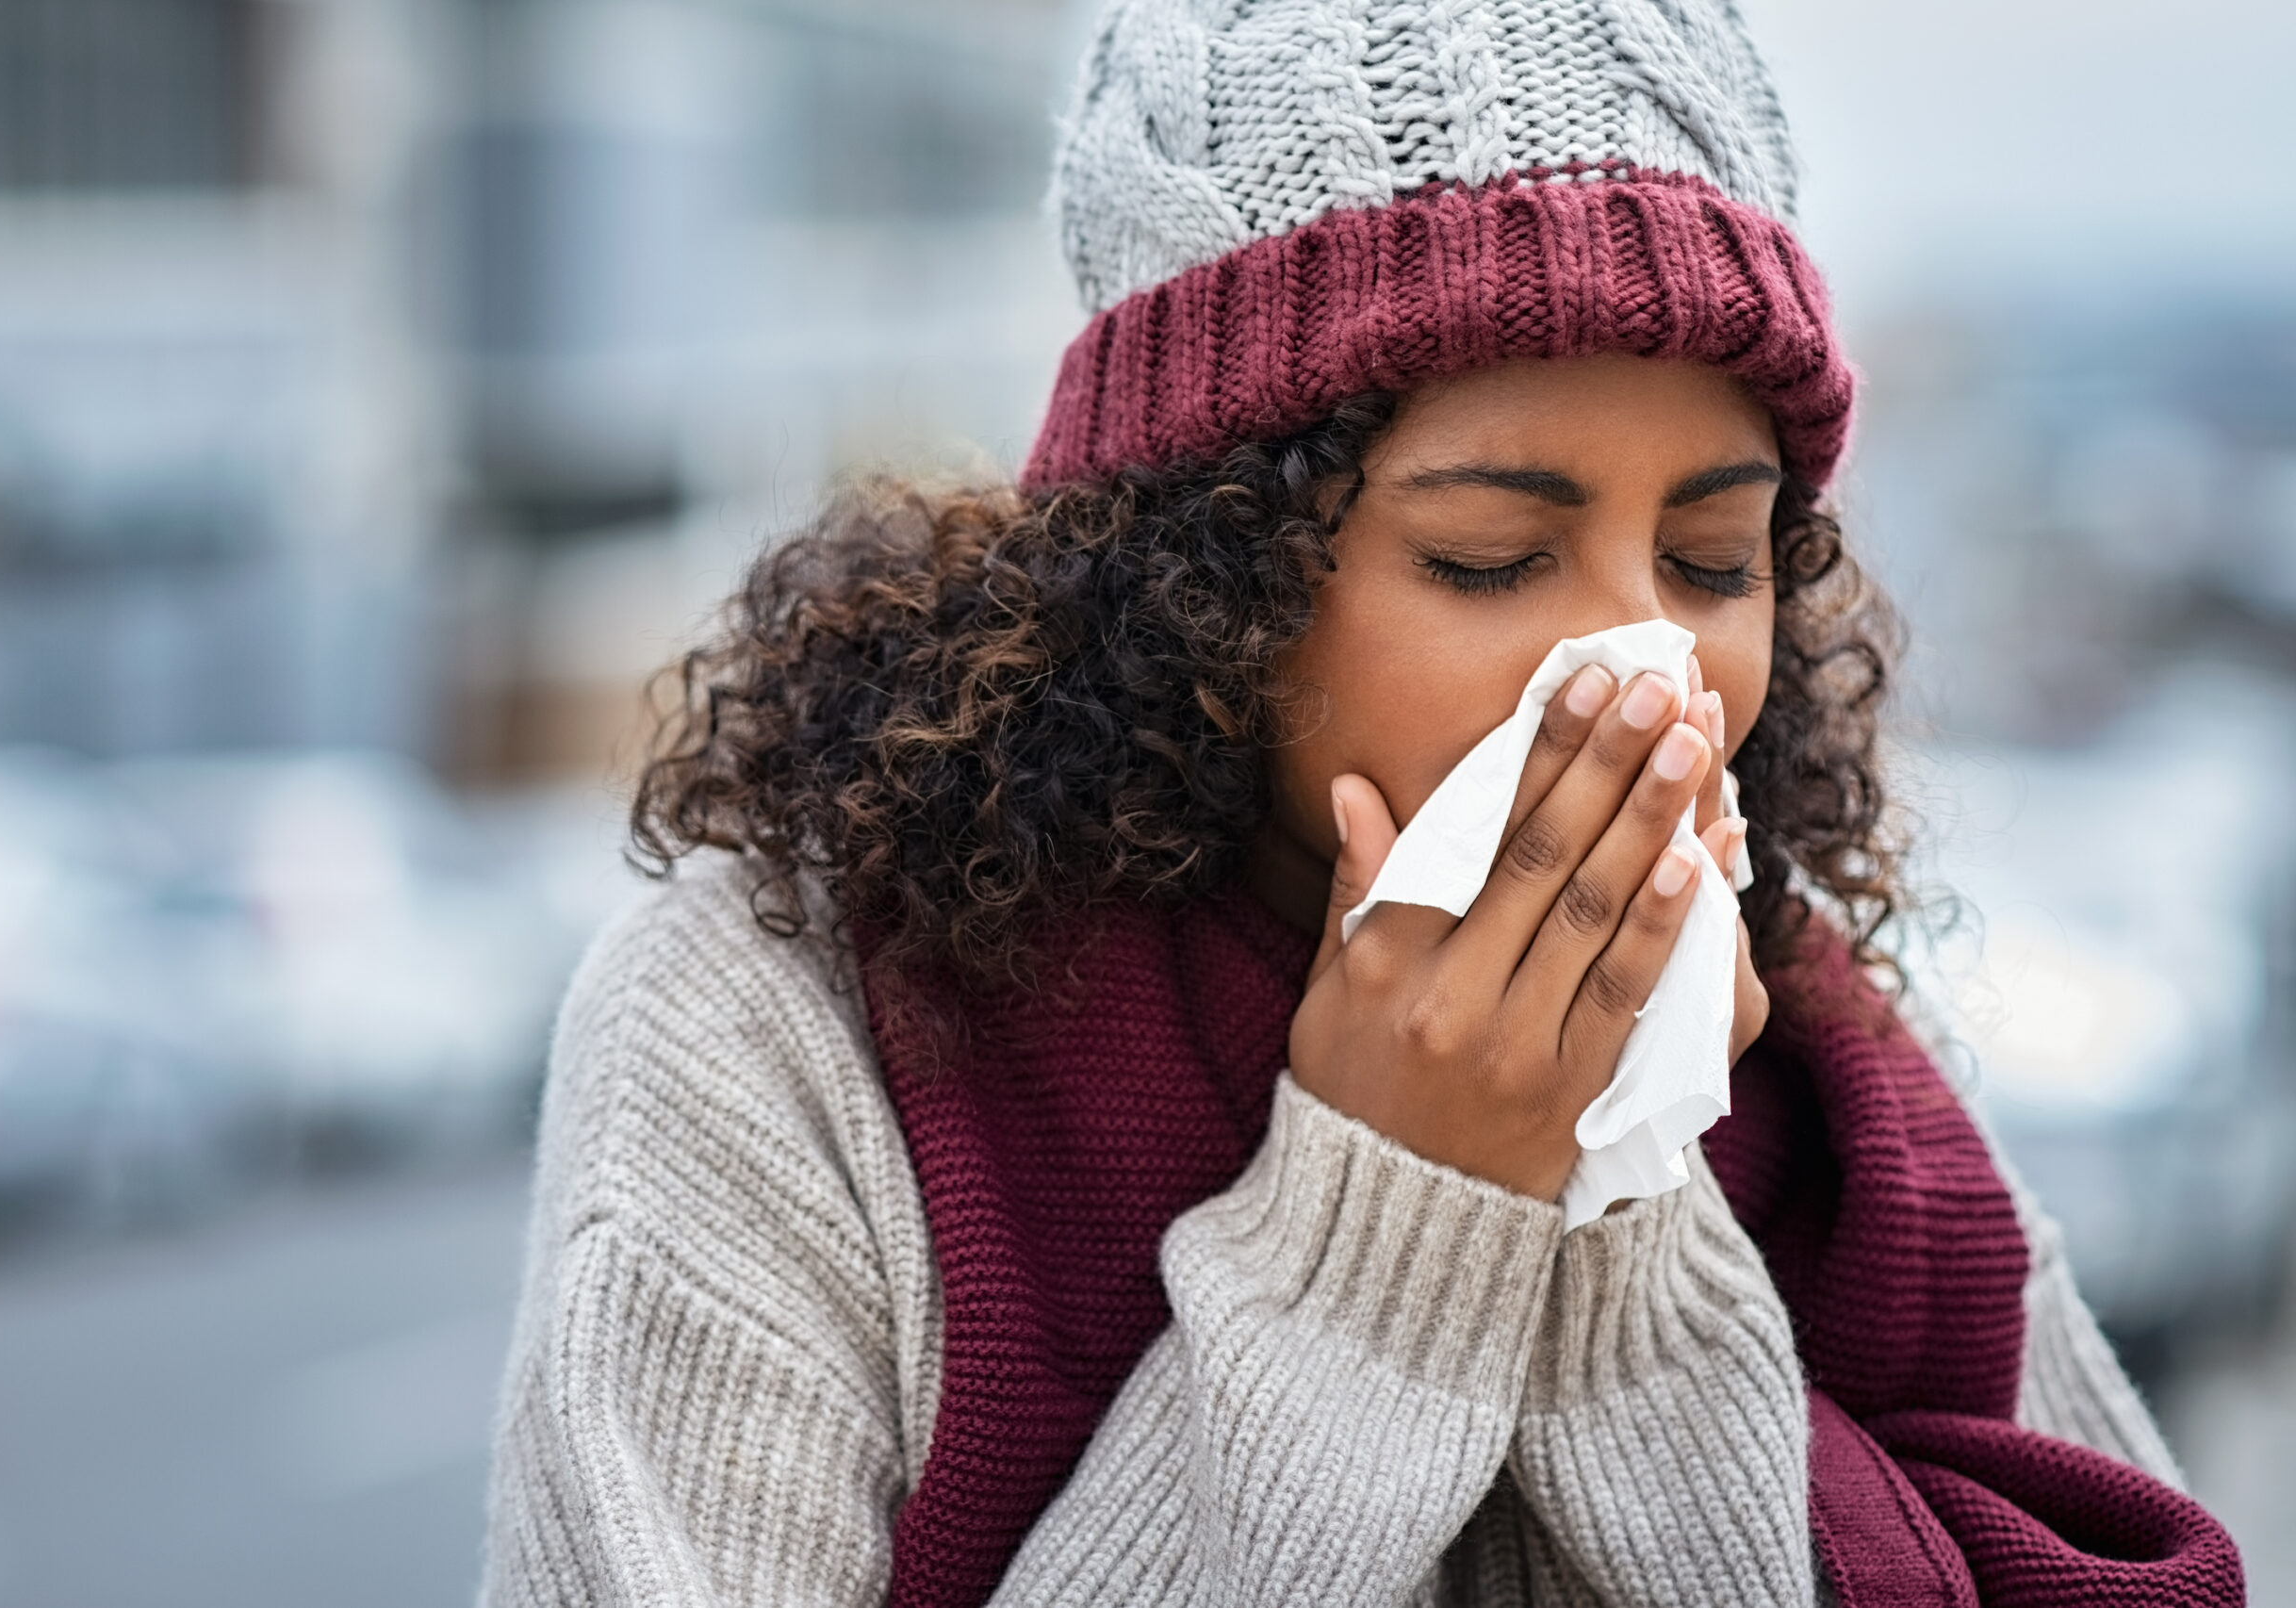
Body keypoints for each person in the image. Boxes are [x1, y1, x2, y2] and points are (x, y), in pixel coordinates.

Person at [482, 3, 2244, 1603]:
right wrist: (1390, 1232)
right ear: (1208, 585)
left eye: (1715, 556)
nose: (1649, 673)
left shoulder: (1818, 1058)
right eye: (1491, 558)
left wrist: (1616, 1207)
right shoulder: (779, 1030)